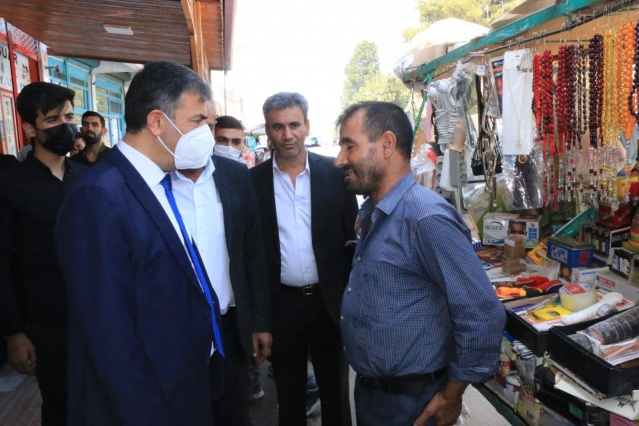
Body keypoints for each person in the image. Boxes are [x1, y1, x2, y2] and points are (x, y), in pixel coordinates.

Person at [54, 61, 223, 425]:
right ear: (157, 122)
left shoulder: (159, 181)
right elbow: (108, 330)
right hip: (149, 401)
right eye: (197, 122)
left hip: (183, 383)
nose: (206, 136)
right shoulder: (99, 197)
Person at [334, 101, 506, 426]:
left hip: (413, 403)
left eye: (349, 146)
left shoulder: (425, 217)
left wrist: (452, 395)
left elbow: (481, 312)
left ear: (387, 144)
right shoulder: (374, 211)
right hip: (376, 395)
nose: (339, 159)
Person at [251, 92, 358, 426]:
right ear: (267, 131)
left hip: (329, 304)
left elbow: (352, 243)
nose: (287, 135)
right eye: (278, 127)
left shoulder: (335, 174)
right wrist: (260, 321)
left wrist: (351, 304)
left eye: (294, 125)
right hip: (283, 306)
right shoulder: (253, 182)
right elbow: (252, 257)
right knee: (289, 395)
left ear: (307, 126)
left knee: (335, 393)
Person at [0, 82, 86, 426]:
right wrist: (14, 333)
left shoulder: (88, 180)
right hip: (46, 322)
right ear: (29, 129)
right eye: (52, 119)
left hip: (95, 313)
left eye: (69, 117)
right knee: (60, 405)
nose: (65, 126)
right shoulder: (11, 185)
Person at [183, 104, 271, 425]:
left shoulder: (234, 175)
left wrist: (259, 322)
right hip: (179, 329)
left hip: (229, 326)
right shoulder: (157, 180)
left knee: (233, 412)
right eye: (194, 122)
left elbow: (253, 254)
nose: (202, 133)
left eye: (206, 125)